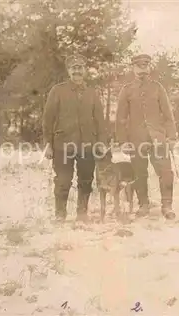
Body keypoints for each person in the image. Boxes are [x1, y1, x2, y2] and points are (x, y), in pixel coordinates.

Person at [43, 53, 108, 223]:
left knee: (86, 180)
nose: (77, 71)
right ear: (69, 71)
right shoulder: (58, 91)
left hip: (88, 145)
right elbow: (48, 119)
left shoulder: (92, 93)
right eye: (74, 68)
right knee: (63, 180)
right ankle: (60, 214)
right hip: (62, 144)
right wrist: (48, 144)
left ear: (85, 70)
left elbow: (100, 120)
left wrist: (101, 142)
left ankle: (82, 213)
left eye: (80, 68)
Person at [115, 54, 177, 220]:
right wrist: (123, 141)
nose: (142, 69)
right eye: (139, 66)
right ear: (133, 68)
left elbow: (168, 115)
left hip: (158, 138)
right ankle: (143, 205)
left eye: (145, 66)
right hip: (136, 139)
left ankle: (167, 205)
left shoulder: (158, 88)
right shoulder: (127, 90)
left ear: (149, 68)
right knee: (139, 173)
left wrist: (171, 138)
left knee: (165, 172)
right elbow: (120, 118)